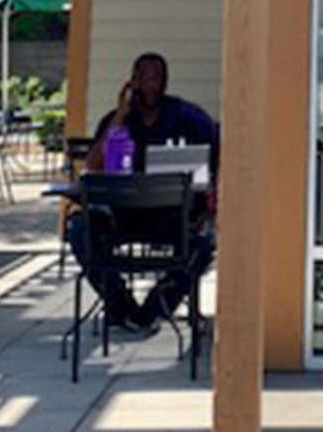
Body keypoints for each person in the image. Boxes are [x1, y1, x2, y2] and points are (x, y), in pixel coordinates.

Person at [70, 52, 218, 336]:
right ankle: (120, 305)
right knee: (79, 230)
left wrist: (211, 202)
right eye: (146, 78)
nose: (152, 86)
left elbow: (217, 151)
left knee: (205, 241)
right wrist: (121, 115)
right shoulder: (118, 120)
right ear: (133, 81)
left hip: (170, 217)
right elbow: (93, 164)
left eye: (158, 79)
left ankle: (154, 308)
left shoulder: (186, 116)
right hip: (121, 216)